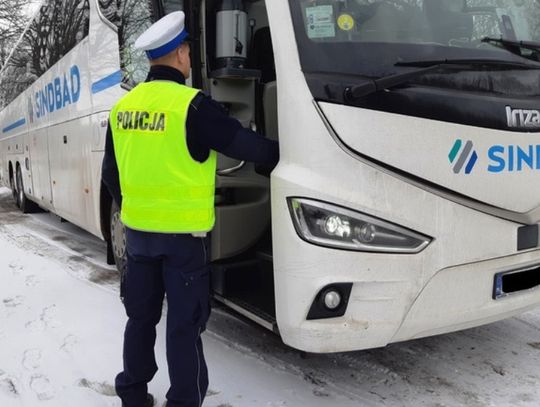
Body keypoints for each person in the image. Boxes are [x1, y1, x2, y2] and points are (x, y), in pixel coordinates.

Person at [101, 11, 279, 407]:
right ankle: (183, 401)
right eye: (186, 51)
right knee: (184, 327)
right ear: (181, 54)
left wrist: (138, 209)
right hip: (183, 244)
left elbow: (111, 175)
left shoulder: (122, 109)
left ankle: (132, 393)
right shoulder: (191, 106)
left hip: (139, 239)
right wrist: (283, 154)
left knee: (140, 319)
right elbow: (242, 145)